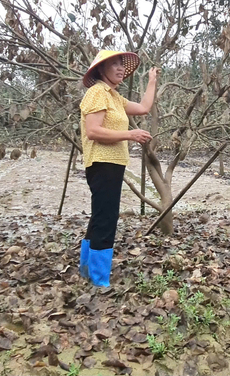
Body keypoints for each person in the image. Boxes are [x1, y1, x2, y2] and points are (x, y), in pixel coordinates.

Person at [79, 50, 158, 287]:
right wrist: (130, 134)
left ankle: (87, 270)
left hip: (113, 164)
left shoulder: (114, 97)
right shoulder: (97, 93)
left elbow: (144, 107)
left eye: (122, 64)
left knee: (100, 216)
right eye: (114, 64)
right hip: (102, 163)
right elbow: (93, 131)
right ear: (101, 70)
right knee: (106, 218)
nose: (121, 68)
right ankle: (99, 280)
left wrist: (152, 81)